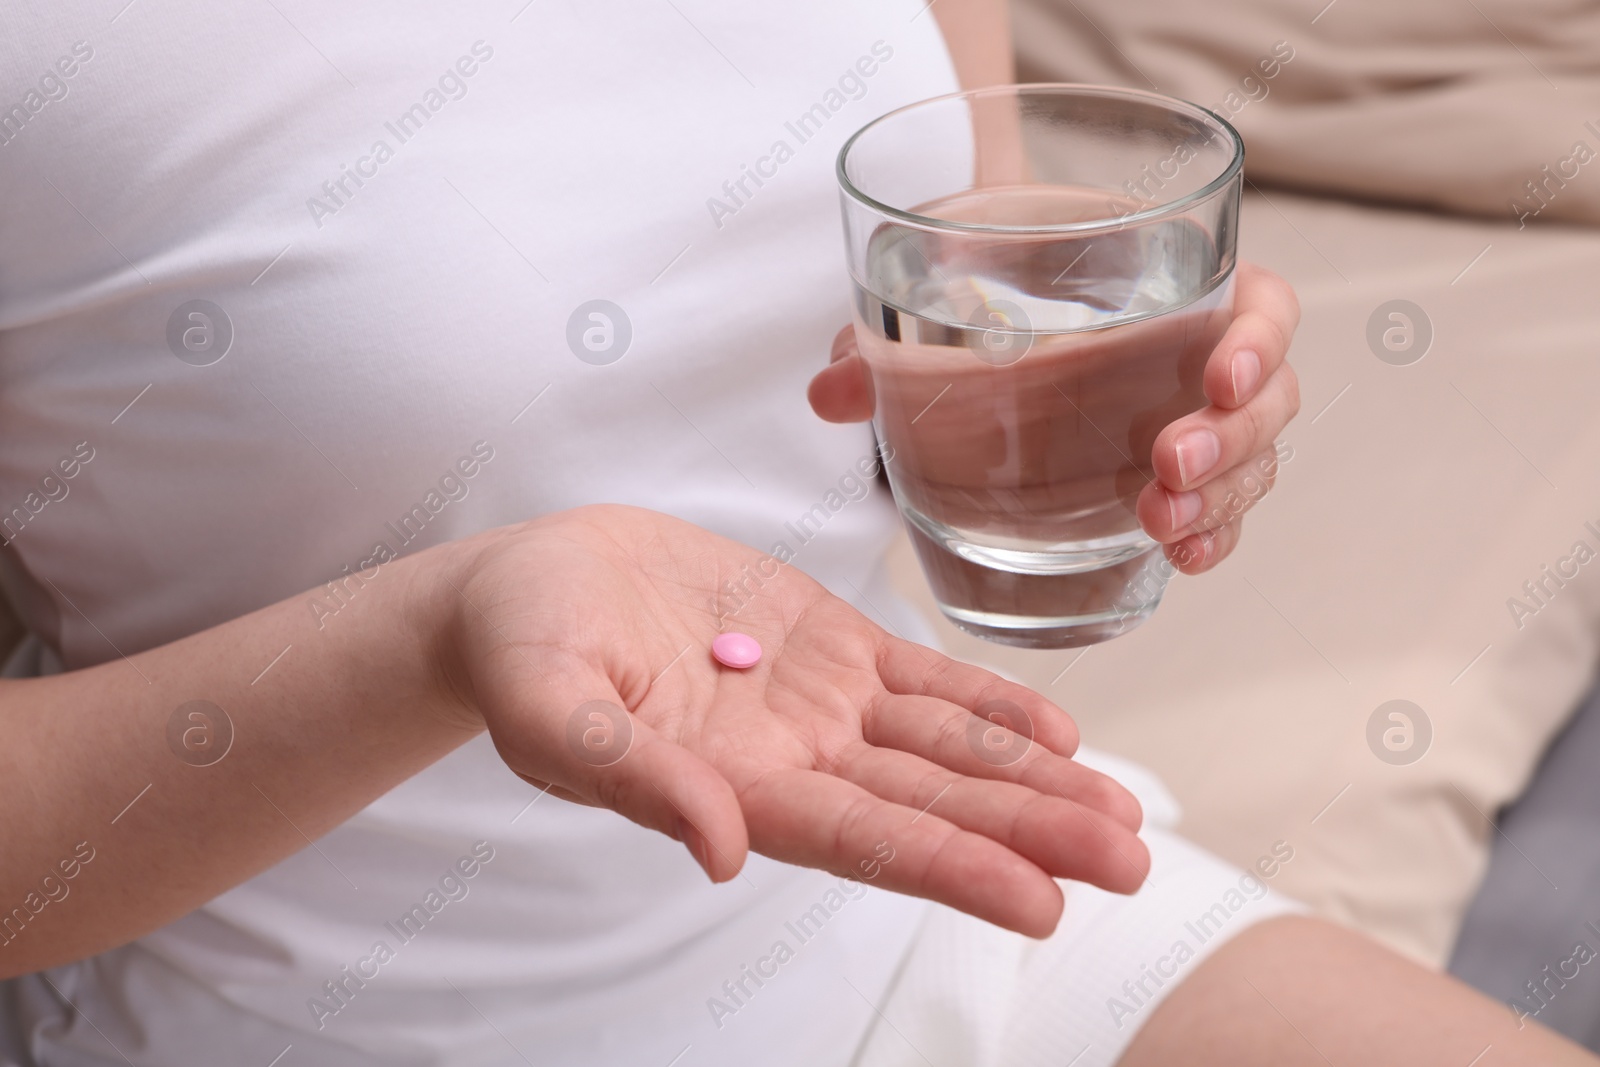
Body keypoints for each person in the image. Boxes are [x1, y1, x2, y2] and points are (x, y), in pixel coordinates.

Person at [0, 1, 1590, 1065]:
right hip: (338, 1023)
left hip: (906, 908)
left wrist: (1098, 419)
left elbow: (955, 321)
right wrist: (433, 632)